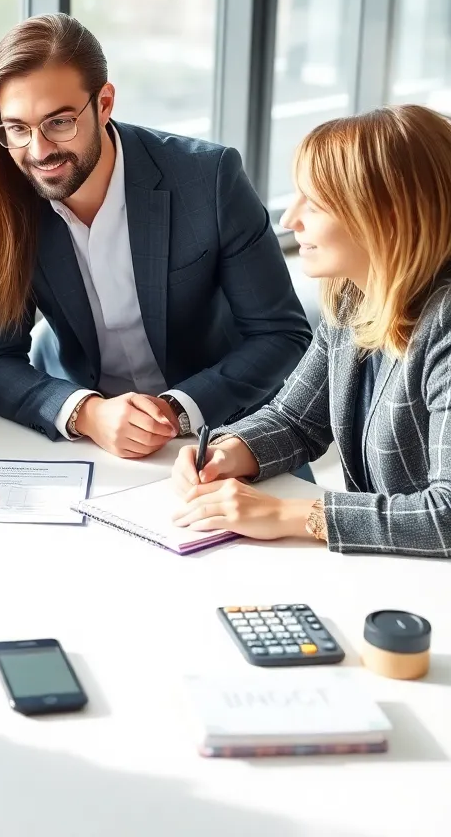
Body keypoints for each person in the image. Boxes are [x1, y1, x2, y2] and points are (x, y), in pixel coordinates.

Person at [0, 13, 312, 457]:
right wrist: (86, 414)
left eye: (59, 122)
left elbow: (280, 333)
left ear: (104, 103)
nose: (38, 151)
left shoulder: (208, 179)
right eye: (17, 128)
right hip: (86, 436)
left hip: (223, 427)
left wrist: (172, 411)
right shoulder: (4, 205)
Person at [170, 105, 451, 557]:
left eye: (315, 203)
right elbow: (297, 420)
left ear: (390, 216)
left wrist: (286, 515)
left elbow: (447, 515)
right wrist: (229, 451)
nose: (289, 219)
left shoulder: (446, 324)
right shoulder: (352, 296)